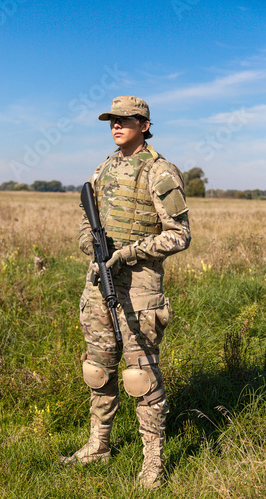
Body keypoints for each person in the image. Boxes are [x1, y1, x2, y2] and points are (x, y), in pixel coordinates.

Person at [60, 95, 191, 489]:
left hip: (140, 289)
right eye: (112, 120)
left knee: (140, 376)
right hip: (100, 283)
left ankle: (153, 465)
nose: (117, 125)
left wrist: (131, 252)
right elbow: (87, 218)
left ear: (145, 125)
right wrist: (91, 246)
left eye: (126, 120)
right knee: (98, 369)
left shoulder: (160, 171)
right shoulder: (104, 168)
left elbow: (180, 235)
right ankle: (98, 446)